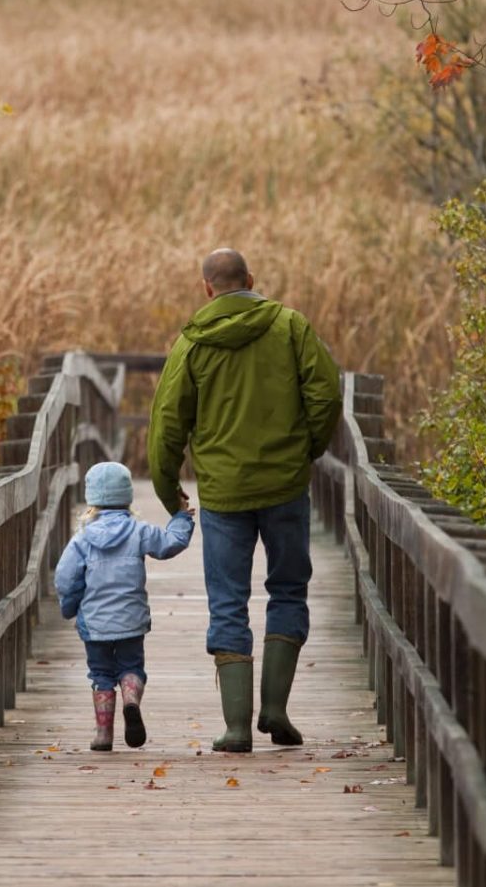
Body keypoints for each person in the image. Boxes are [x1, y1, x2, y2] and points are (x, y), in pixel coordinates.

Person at [147, 248, 342, 752]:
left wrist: (171, 494)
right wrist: (306, 451)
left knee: (228, 601)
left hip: (224, 495)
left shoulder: (193, 343)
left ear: (207, 288)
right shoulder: (291, 327)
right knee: (288, 589)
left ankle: (236, 727)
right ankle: (276, 709)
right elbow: (325, 394)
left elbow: (168, 425)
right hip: (284, 488)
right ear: (251, 279)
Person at [53, 460, 196, 751]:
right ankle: (131, 700)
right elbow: (170, 543)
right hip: (131, 619)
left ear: (92, 499)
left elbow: (65, 578)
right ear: (127, 496)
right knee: (131, 666)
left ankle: (104, 735)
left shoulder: (82, 540)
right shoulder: (139, 531)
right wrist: (181, 518)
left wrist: (69, 606)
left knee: (101, 674)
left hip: (95, 623)